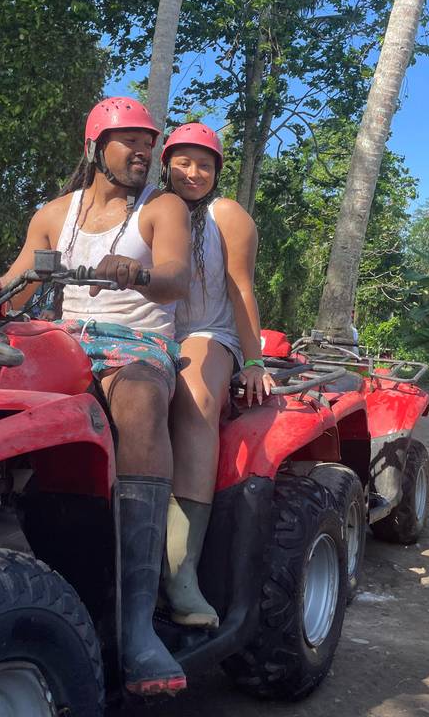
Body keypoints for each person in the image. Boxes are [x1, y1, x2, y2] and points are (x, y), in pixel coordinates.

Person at [2, 97, 192, 697]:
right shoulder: (54, 214)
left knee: (137, 399)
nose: (144, 152)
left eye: (148, 142)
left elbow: (175, 279)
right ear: (95, 148)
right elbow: (12, 288)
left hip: (136, 343)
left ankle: (137, 626)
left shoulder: (162, 208)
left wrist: (134, 273)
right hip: (62, 342)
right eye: (129, 140)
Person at [159, 122, 273, 629]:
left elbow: (241, 289)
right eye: (184, 161)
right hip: (151, 331)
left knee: (196, 390)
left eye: (205, 164)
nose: (194, 172)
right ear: (166, 164)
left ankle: (180, 570)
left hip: (210, 331)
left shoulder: (224, 215)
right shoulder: (149, 211)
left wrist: (253, 359)